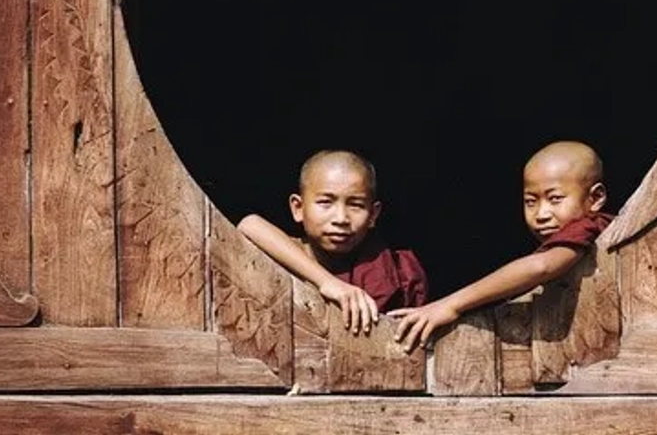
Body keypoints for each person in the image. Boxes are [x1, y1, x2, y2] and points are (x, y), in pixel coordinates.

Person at [390, 140, 611, 351]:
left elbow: (541, 267)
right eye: (530, 201)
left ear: (596, 198)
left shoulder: (588, 227)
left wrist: (451, 304)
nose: (541, 214)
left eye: (555, 199)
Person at [238, 149, 428, 335]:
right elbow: (249, 224)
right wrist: (328, 282)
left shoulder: (399, 271)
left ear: (373, 214)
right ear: (298, 208)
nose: (341, 218)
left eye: (356, 205)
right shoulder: (283, 252)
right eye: (325, 202)